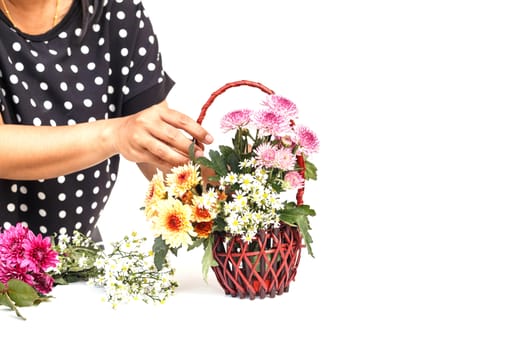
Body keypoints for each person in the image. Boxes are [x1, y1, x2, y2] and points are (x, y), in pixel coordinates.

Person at [0, 0, 213, 242]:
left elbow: (149, 139)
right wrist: (116, 135)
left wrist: (218, 177)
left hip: (76, 259)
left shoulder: (118, 10)